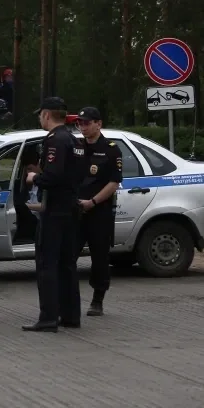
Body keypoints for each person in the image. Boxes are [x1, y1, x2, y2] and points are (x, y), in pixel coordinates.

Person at [23, 97, 84, 332]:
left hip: (55, 209)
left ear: (47, 115)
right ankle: (70, 315)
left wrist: (34, 177)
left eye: (40, 115)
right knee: (67, 264)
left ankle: (48, 317)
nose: (40, 119)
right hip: (70, 207)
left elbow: (53, 175)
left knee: (47, 263)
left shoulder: (54, 140)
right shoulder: (74, 139)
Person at [75, 106, 122, 316]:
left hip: (99, 211)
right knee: (68, 255)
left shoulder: (111, 149)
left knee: (100, 257)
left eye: (87, 123)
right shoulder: (76, 147)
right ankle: (67, 298)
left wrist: (93, 202)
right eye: (80, 123)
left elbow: (114, 183)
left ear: (98, 124)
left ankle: (97, 300)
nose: (83, 127)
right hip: (76, 211)